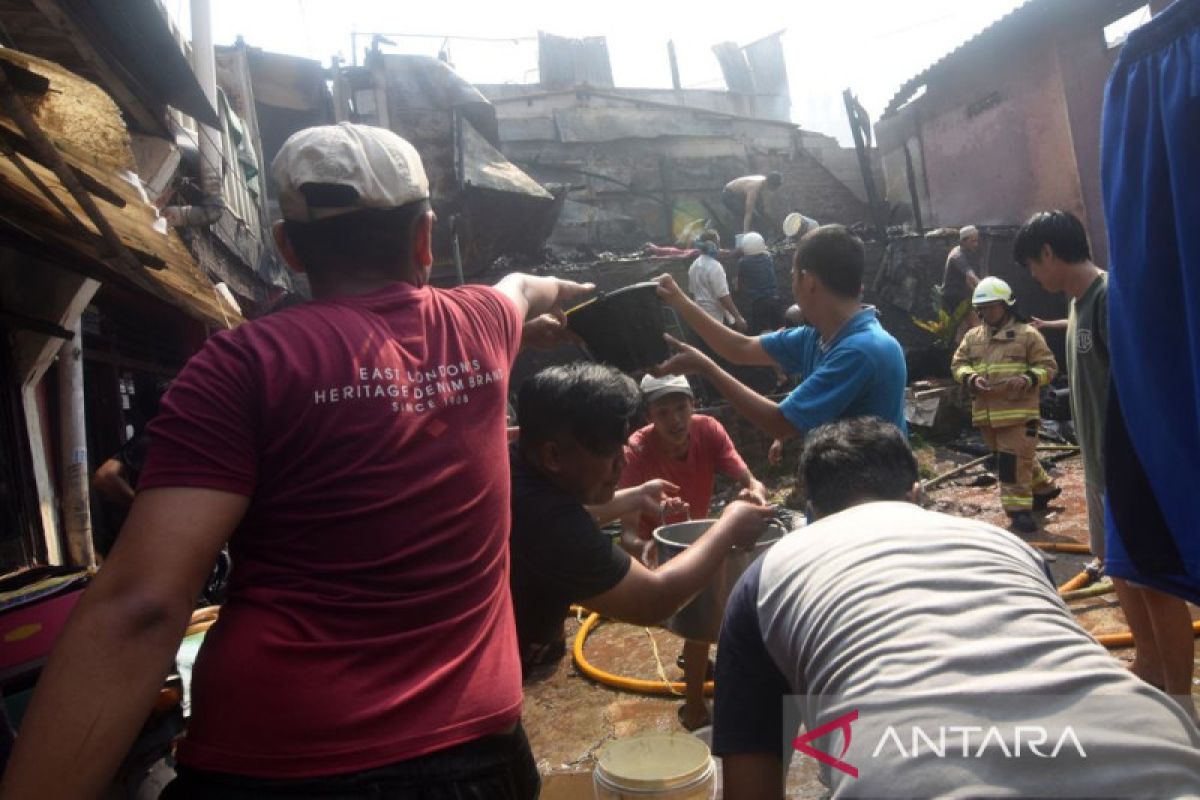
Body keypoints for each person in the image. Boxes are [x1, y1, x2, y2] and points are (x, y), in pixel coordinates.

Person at [0, 123, 594, 799]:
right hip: (474, 755)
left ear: (288, 248)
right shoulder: (482, 324)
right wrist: (561, 294)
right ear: (425, 237)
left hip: (273, 760)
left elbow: (140, 606)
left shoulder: (242, 364)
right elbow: (523, 287)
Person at [712, 417, 1200, 799]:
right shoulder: (1009, 547)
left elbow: (749, 788)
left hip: (907, 778)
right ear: (918, 496)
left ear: (811, 511)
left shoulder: (768, 577)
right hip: (1157, 749)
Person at [1018, 209, 1196, 717]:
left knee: (1154, 584)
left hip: (1131, 471)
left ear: (1049, 253)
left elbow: (1144, 391)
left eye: (1033, 264)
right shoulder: (1078, 305)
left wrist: (1142, 470)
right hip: (1097, 467)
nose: (1034, 276)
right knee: (1119, 571)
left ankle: (1181, 704)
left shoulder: (1110, 302)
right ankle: (1150, 666)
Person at [508, 363, 774, 679]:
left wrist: (633, 497)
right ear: (552, 456)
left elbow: (571, 514)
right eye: (609, 450)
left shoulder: (517, 466)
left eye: (623, 443)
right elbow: (655, 599)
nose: (622, 461)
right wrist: (728, 525)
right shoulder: (551, 523)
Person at [1097, 0, 1200, 715]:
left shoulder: (1108, 304)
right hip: (1117, 471)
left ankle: (1175, 695)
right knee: (1136, 568)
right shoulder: (1108, 307)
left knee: (1150, 571)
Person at [655, 225, 907, 453]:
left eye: (793, 275)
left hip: (873, 499)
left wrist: (705, 367)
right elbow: (740, 348)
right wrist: (677, 299)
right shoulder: (817, 338)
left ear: (808, 281)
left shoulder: (861, 350)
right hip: (840, 488)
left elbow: (780, 423)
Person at [616, 373, 768, 730]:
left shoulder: (709, 430)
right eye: (663, 411)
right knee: (701, 623)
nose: (675, 420)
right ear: (649, 415)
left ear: (693, 405)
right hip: (659, 545)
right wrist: (644, 546)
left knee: (726, 611)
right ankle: (696, 708)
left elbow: (750, 480)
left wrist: (754, 494)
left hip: (697, 533)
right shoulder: (635, 450)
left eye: (681, 408)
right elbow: (627, 535)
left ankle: (706, 688)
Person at [950, 276, 1060, 534]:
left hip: (1020, 415)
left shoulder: (1027, 335)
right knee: (1017, 458)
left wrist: (1028, 378)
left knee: (1011, 464)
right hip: (987, 416)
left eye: (992, 306)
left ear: (1006, 305)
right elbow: (958, 364)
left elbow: (1049, 367)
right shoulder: (972, 337)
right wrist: (970, 377)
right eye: (983, 308)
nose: (987, 312)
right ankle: (1044, 488)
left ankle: (1019, 512)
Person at [688, 230, 746, 333]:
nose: (719, 246)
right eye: (718, 243)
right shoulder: (714, 266)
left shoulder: (694, 266)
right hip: (715, 317)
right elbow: (723, 296)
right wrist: (737, 317)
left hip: (700, 315)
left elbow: (692, 292)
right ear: (712, 246)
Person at [938, 225, 984, 342]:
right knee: (976, 325)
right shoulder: (958, 256)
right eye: (973, 241)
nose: (976, 244)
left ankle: (957, 353)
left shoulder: (965, 253)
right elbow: (971, 276)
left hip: (960, 295)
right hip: (954, 297)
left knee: (963, 327)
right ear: (963, 241)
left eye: (977, 241)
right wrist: (986, 288)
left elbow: (968, 281)